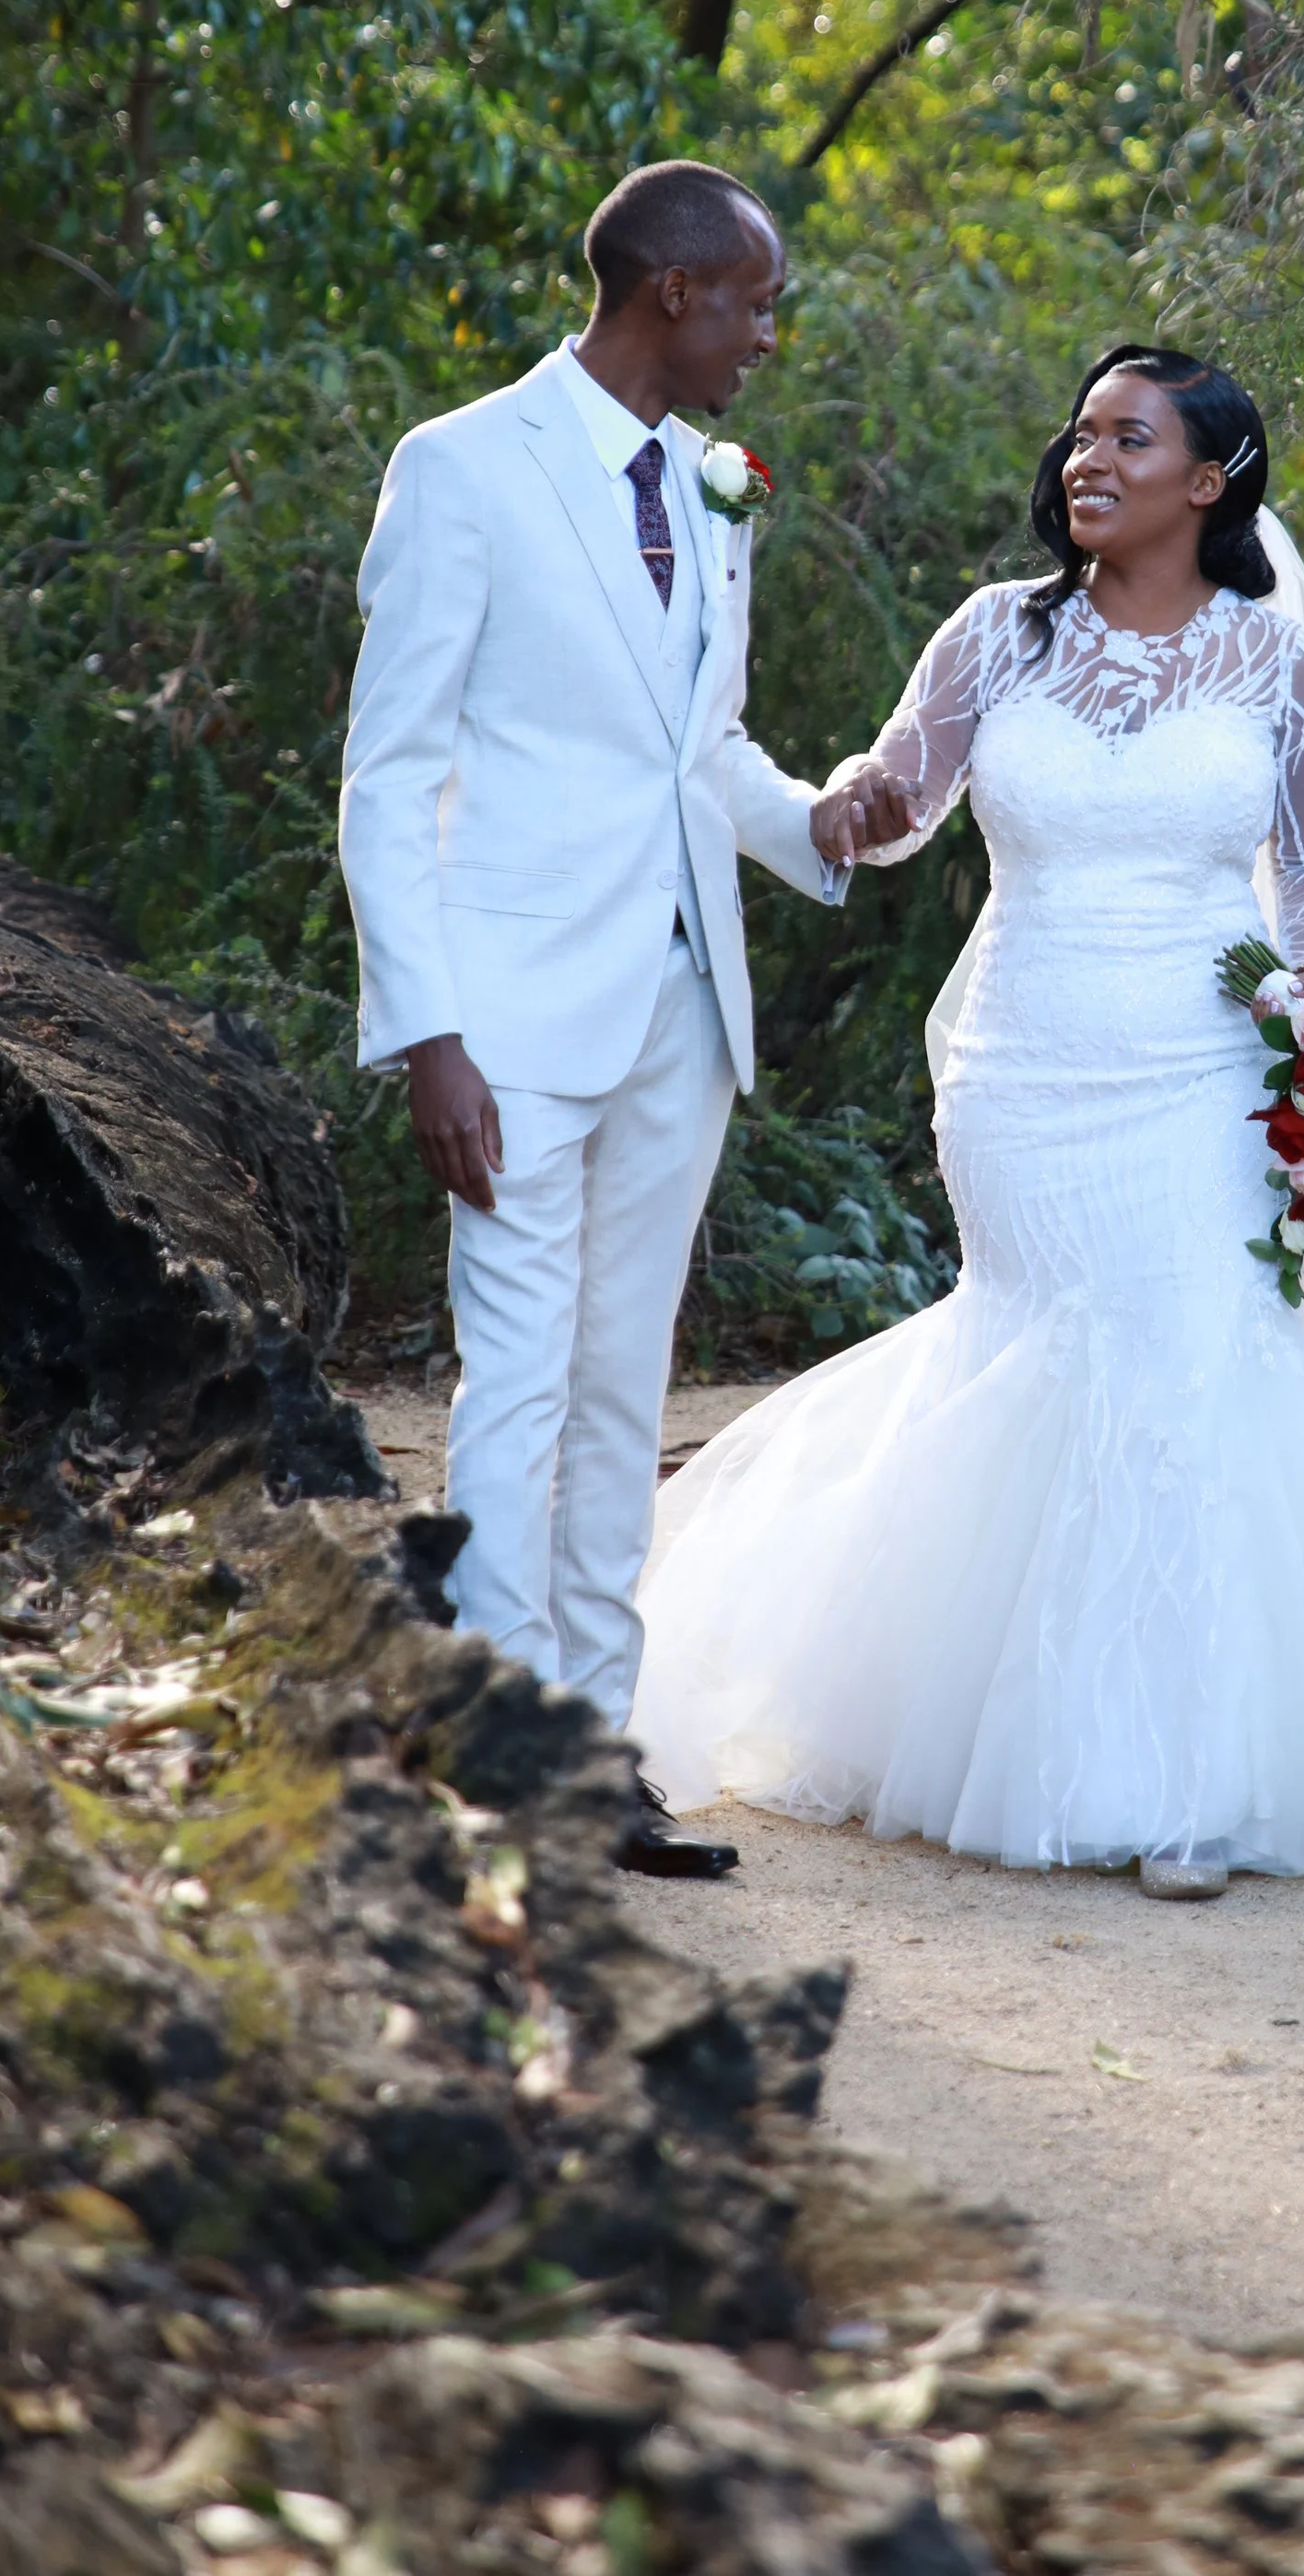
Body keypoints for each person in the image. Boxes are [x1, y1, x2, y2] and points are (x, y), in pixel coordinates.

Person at [632, 343, 1304, 1894]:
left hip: (1201, 1063)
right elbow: (895, 799)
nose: (1088, 456)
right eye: (1081, 430)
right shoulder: (992, 637)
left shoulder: (1281, 665)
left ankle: (1187, 1783)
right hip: (1022, 1066)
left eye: (1130, 436)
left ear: (1208, 480)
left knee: (1186, 1362)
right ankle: (1025, 1731)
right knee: (1044, 1345)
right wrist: (845, 806)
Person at [338, 162, 895, 1877]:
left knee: (616, 1380)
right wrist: (426, 1031)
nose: (765, 333)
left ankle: (596, 1746)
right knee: (512, 1383)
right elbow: (389, 769)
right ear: (672, 295)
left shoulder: (712, 490)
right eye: (753, 301)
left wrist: (817, 820)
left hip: (679, 1010)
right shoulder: (460, 470)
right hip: (504, 1015)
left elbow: (696, 752)